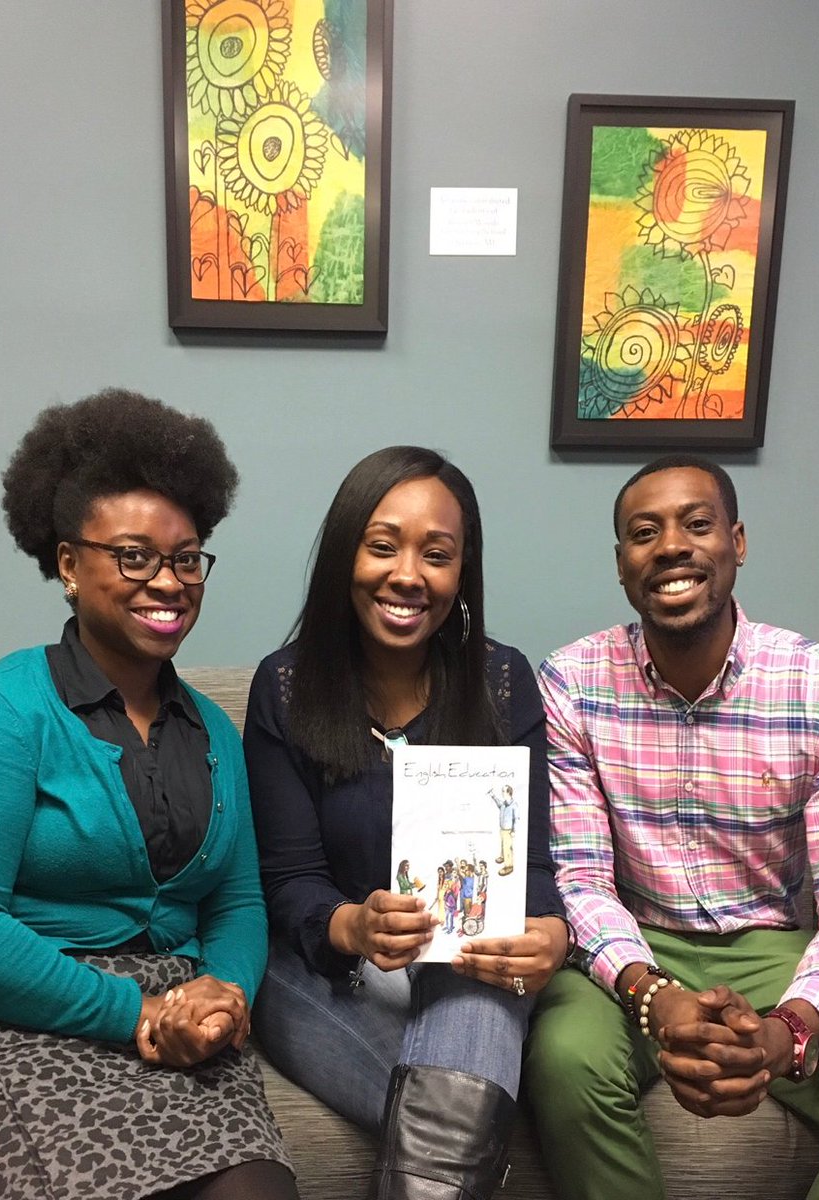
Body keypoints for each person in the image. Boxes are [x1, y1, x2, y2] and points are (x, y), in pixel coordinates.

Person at [0, 389, 298, 1200]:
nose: (166, 581)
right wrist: (131, 1011)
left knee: (255, 1191)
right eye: (133, 555)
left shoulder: (213, 733)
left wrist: (223, 998)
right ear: (68, 564)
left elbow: (236, 904)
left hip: (167, 1020)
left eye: (186, 556)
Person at [526, 454, 819, 1199]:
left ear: (736, 541)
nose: (671, 545)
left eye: (696, 524)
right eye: (644, 532)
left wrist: (787, 1031)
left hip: (774, 948)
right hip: (630, 944)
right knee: (564, 1063)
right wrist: (655, 997)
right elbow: (576, 880)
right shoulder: (569, 683)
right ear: (620, 565)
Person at [241, 446, 571, 1199]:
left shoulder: (501, 679)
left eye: (437, 554)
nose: (407, 575)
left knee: (475, 993)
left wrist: (550, 930)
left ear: (462, 574)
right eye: (382, 546)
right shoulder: (285, 687)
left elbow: (538, 870)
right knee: (462, 1115)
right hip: (328, 972)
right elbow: (288, 883)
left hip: (463, 970)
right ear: (343, 557)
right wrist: (353, 927)